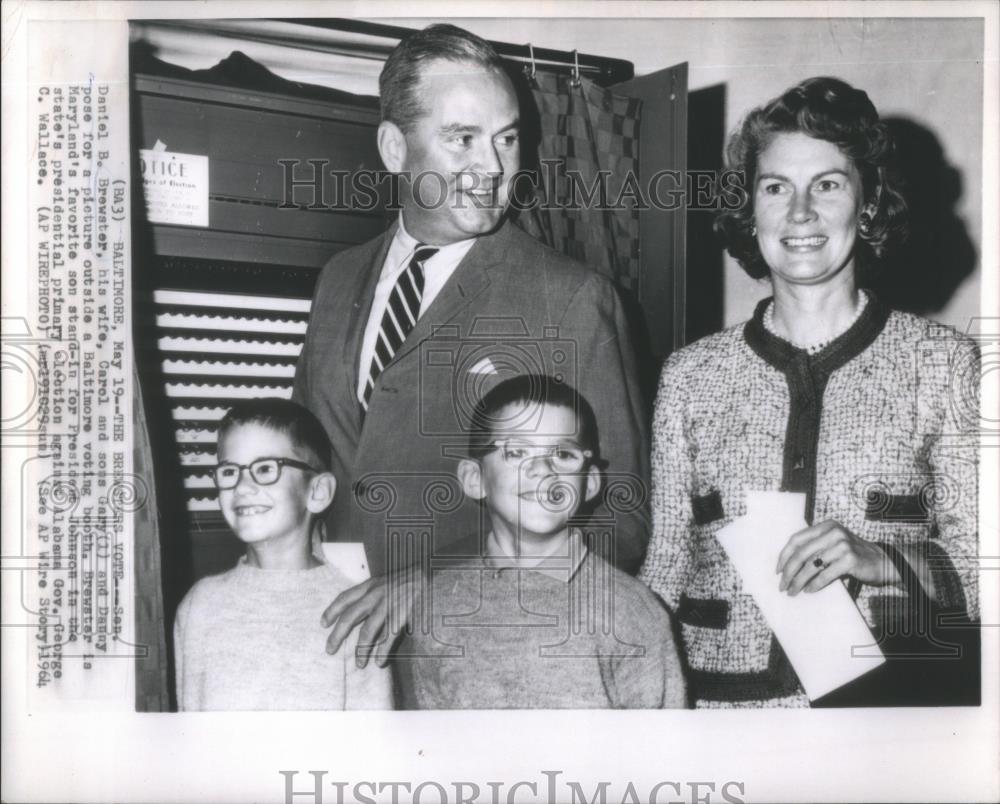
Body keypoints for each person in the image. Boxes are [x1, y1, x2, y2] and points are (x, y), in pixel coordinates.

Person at [292, 24, 648, 662]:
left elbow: (619, 519)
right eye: (462, 139)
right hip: (336, 656)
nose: (492, 167)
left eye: (507, 139)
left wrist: (436, 583)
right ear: (395, 148)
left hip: (482, 658)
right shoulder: (337, 279)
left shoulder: (570, 299)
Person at [638, 77, 979, 708]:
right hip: (718, 715)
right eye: (776, 188)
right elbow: (663, 570)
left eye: (827, 184)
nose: (800, 213)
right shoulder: (689, 375)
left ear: (868, 202)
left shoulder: (945, 364)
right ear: (751, 209)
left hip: (881, 717)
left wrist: (882, 557)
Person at [394, 375, 687, 708]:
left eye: (563, 454)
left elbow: (661, 751)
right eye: (516, 452)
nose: (542, 470)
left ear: (589, 483)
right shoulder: (440, 602)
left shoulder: (631, 612)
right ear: (475, 479)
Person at [173, 399, 392, 710]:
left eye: (264, 469)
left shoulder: (353, 610)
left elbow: (374, 743)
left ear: (317, 493)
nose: (242, 486)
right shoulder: (200, 604)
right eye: (228, 471)